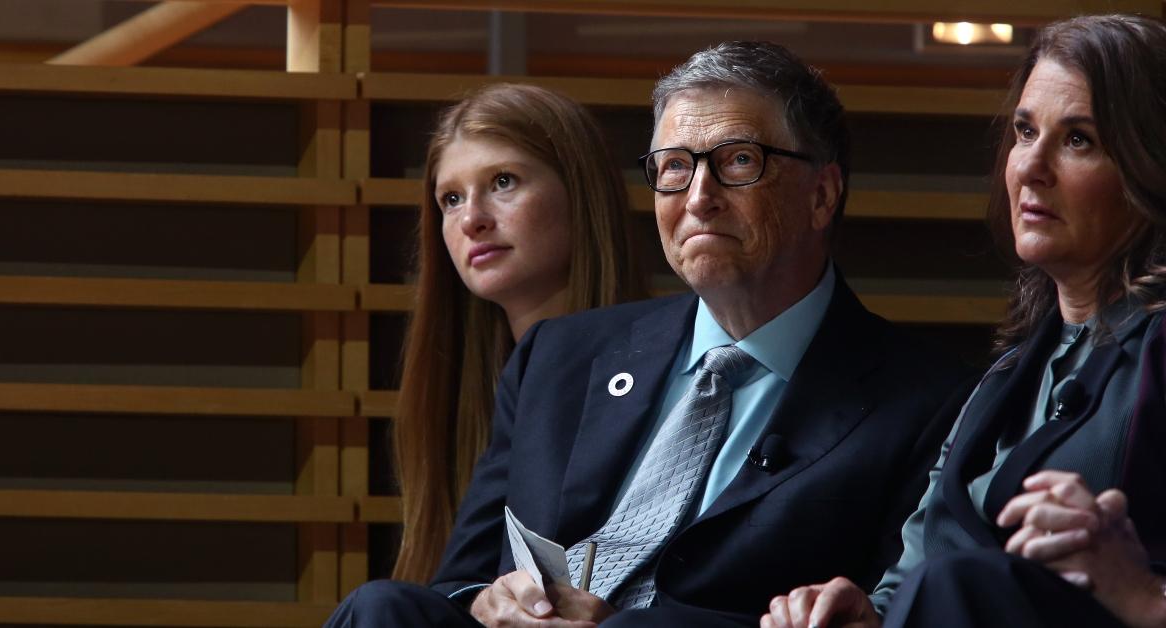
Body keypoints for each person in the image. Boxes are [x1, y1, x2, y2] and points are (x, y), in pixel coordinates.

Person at [327, 41, 965, 627]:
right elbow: (458, 585)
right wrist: (487, 600)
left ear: (822, 195)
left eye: (738, 161)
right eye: (675, 167)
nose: (698, 196)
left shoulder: (927, 402)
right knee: (380, 606)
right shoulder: (559, 355)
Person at [760, 14, 1166, 628]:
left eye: (1079, 139)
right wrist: (867, 618)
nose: (1031, 166)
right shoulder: (1004, 377)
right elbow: (916, 578)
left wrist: (1142, 597)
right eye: (1025, 132)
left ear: (1150, 167)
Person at [390, 83, 647, 584]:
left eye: (503, 181)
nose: (472, 220)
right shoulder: (453, 399)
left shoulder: (680, 370)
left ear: (581, 192)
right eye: (451, 199)